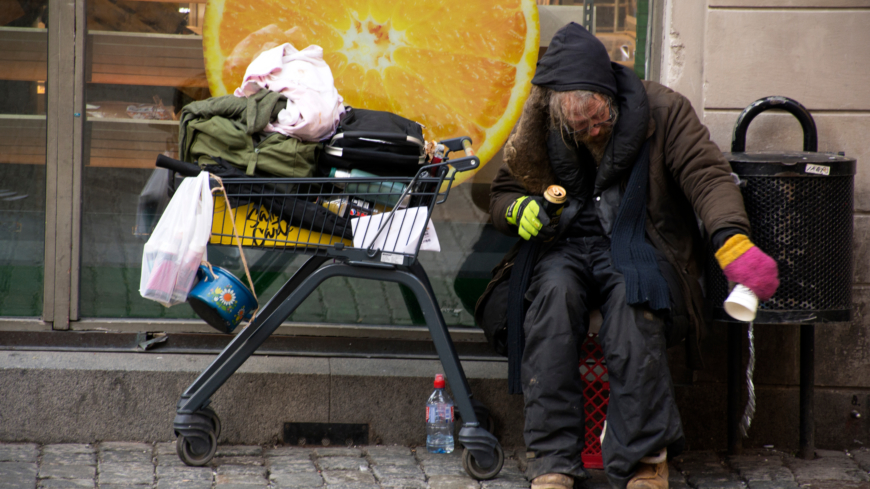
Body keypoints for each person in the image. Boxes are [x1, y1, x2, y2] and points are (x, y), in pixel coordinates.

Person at [486, 23, 779, 489]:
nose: (594, 129)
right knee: (552, 300)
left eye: (599, 118)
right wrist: (519, 209)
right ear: (559, 113)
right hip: (566, 246)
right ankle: (553, 459)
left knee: (633, 301)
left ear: (610, 94)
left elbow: (708, 176)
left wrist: (731, 239)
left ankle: (645, 460)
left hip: (641, 244)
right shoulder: (542, 121)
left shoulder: (664, 109)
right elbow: (503, 192)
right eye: (581, 127)